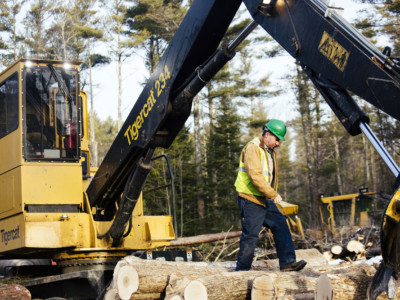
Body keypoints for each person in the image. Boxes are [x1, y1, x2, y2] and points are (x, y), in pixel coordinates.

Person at [234, 119, 307, 272]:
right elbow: (255, 176)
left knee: (280, 223)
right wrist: (273, 194)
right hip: (250, 198)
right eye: (277, 139)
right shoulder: (252, 148)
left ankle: (287, 263)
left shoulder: (268, 151)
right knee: (251, 236)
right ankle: (241, 272)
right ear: (267, 134)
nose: (278, 143)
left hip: (262, 198)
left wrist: (269, 195)